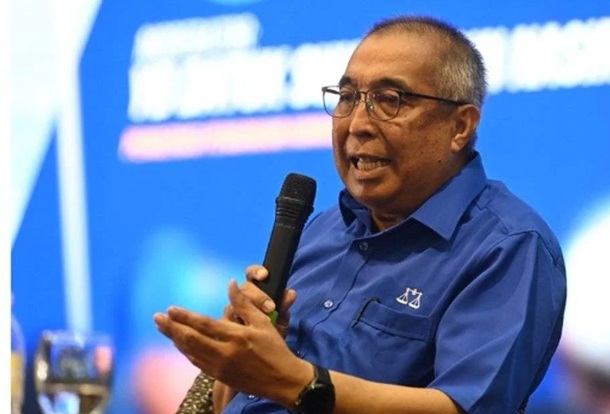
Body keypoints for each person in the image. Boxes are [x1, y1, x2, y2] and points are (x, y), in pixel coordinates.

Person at [154, 15, 567, 414]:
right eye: (348, 97)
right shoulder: (323, 230)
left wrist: (297, 382)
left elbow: (465, 408)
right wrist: (239, 367)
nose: (356, 125)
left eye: (390, 100)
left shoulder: (508, 245)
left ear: (460, 126)